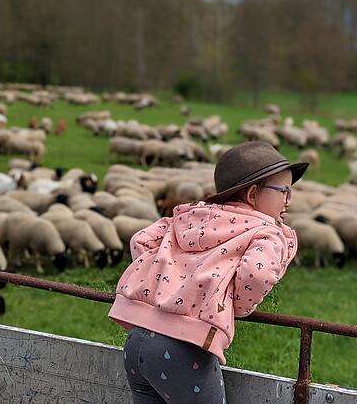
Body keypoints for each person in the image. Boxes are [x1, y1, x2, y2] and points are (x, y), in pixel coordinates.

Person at [109, 141, 306, 403]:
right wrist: (234, 305)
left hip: (136, 339)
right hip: (182, 349)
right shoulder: (265, 232)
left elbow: (141, 240)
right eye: (284, 191)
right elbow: (257, 275)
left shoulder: (191, 216)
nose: (289, 200)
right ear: (252, 194)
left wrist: (164, 283)